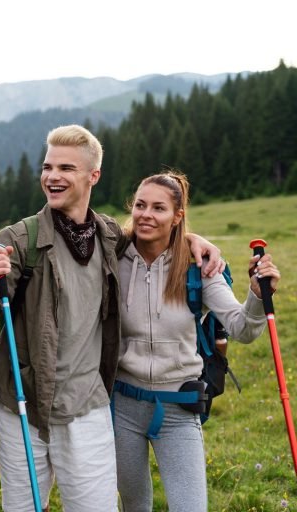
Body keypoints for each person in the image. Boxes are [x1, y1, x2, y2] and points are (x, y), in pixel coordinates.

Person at [0, 125, 224, 512]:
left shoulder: (106, 235)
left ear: (93, 176)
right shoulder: (18, 239)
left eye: (66, 168)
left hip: (87, 406)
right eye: (48, 166)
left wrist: (192, 238)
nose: (53, 176)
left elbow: (149, 231)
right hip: (22, 404)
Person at [112, 171, 280, 511]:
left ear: (178, 217)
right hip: (122, 408)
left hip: (179, 407)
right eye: (141, 205)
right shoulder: (113, 255)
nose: (146, 214)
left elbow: (242, 328)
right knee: (134, 506)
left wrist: (258, 297)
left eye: (159, 208)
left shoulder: (198, 267)